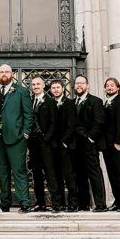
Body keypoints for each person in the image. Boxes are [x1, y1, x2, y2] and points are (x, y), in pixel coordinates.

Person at [0, 64, 33, 213]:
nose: (4, 74)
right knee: (2, 172)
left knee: (19, 171)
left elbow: (28, 114)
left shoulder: (22, 91)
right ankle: (5, 203)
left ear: (12, 74)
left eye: (7, 71)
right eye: (1, 72)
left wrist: (25, 134)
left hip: (16, 139)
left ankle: (24, 202)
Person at [71, 75, 107, 211]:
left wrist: (90, 138)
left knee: (94, 173)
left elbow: (99, 121)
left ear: (87, 86)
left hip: (90, 144)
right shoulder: (72, 102)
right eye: (77, 83)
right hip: (76, 145)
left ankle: (100, 204)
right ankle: (84, 203)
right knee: (80, 174)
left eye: (82, 83)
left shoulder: (96, 101)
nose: (79, 85)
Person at [46, 80, 77, 211]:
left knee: (69, 175)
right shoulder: (50, 103)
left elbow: (71, 124)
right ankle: (59, 203)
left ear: (63, 88)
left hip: (66, 145)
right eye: (53, 88)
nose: (56, 90)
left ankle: (73, 204)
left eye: (58, 87)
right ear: (51, 90)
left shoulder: (69, 103)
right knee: (56, 175)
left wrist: (65, 140)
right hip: (53, 145)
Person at [101, 77, 120, 211]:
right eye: (107, 85)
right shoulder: (106, 103)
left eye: (112, 85)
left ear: (118, 88)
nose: (110, 87)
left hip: (116, 145)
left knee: (119, 173)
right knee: (112, 174)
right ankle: (117, 200)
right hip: (107, 145)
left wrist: (118, 142)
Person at [28, 77, 51, 212]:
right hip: (33, 143)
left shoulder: (50, 101)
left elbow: (54, 122)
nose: (36, 86)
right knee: (36, 173)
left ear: (43, 86)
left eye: (38, 84)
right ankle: (40, 202)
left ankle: (55, 202)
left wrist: (47, 138)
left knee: (50, 172)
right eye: (33, 84)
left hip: (46, 143)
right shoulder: (30, 101)